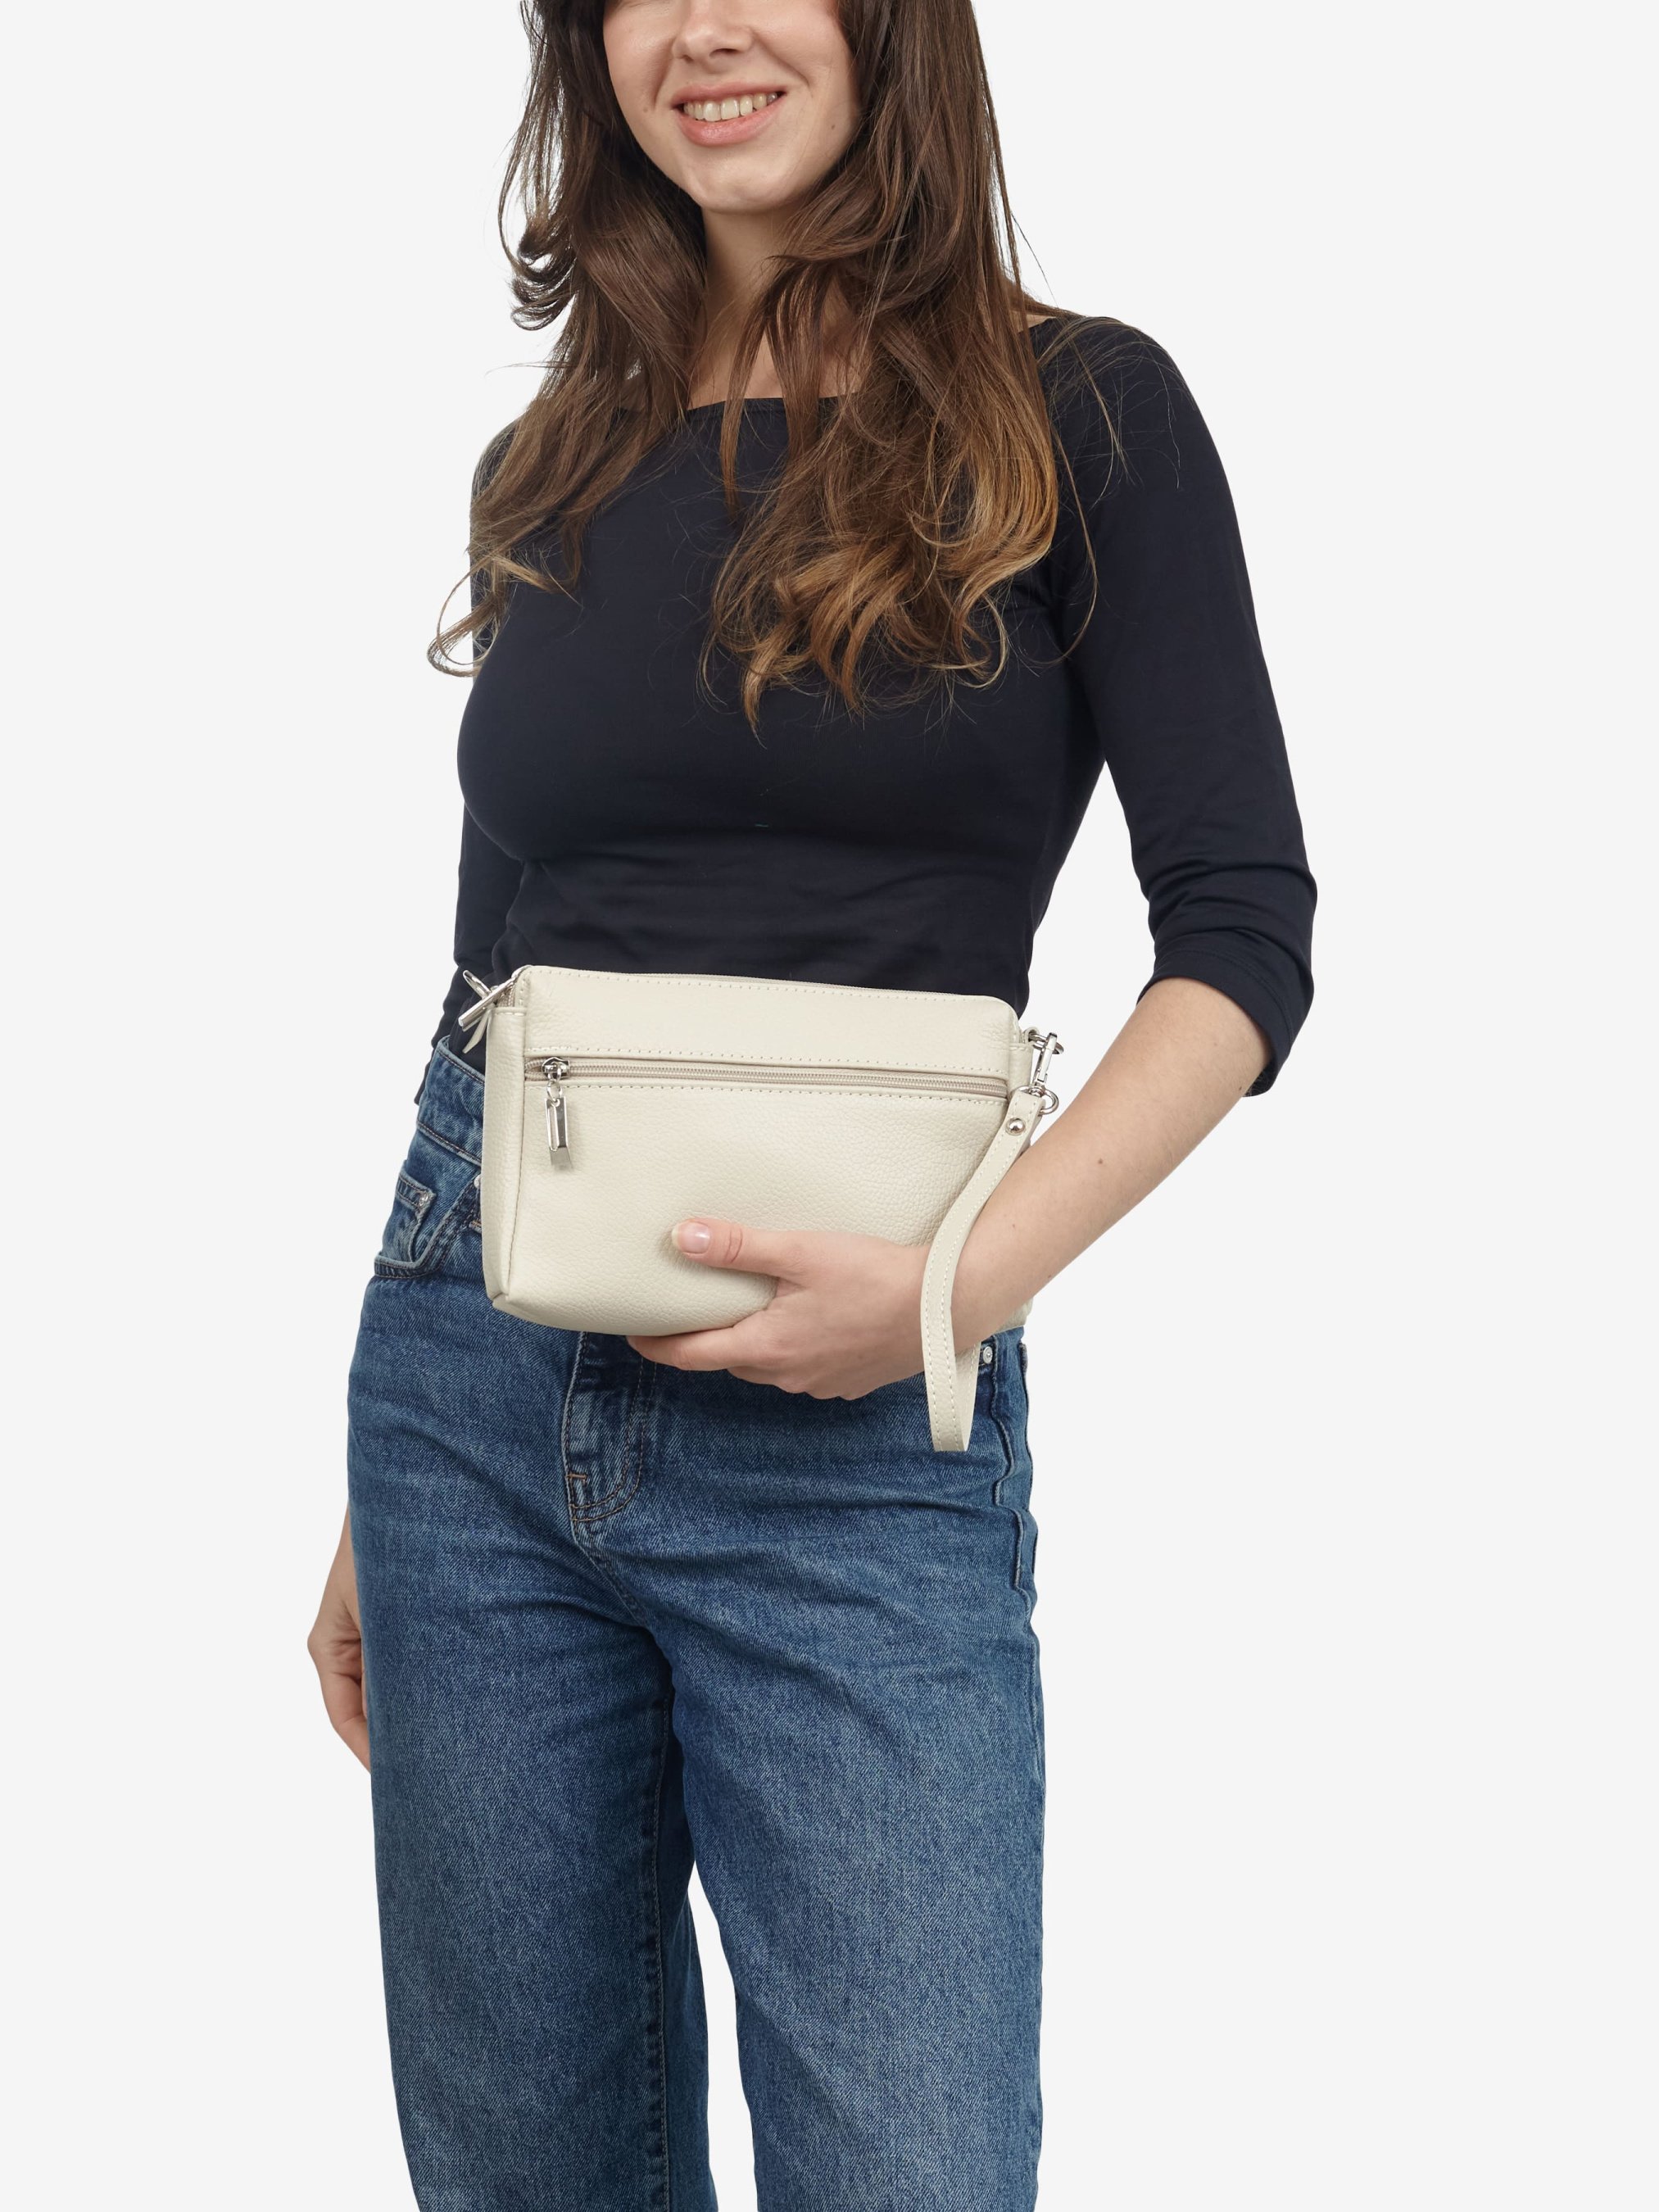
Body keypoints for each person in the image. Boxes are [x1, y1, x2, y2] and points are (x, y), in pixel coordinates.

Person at [308, 2, 1317, 2205]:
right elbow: (501, 977)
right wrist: (378, 1498)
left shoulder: (1080, 414)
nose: (702, 30)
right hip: (473, 1395)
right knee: (527, 2177)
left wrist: (953, 1289)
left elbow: (1243, 936)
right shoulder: (558, 455)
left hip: (866, 1432)